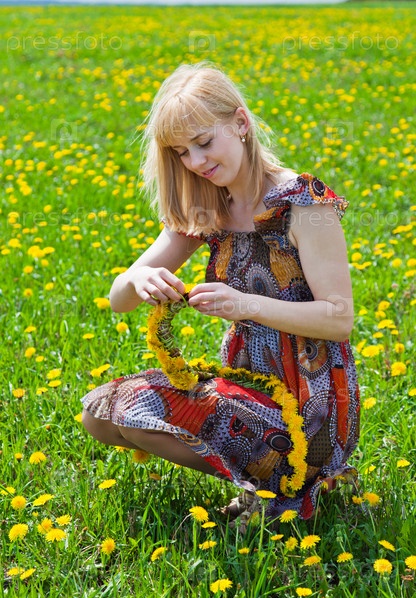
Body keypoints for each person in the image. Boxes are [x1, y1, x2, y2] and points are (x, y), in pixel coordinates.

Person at [81, 62, 360, 522]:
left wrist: (245, 304)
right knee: (101, 416)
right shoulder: (209, 207)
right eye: (182, 152)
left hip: (311, 408)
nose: (195, 162)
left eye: (204, 142)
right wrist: (136, 280)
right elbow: (118, 300)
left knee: (132, 412)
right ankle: (260, 482)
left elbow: (339, 317)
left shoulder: (302, 204)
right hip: (246, 388)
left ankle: (280, 491)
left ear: (241, 123)